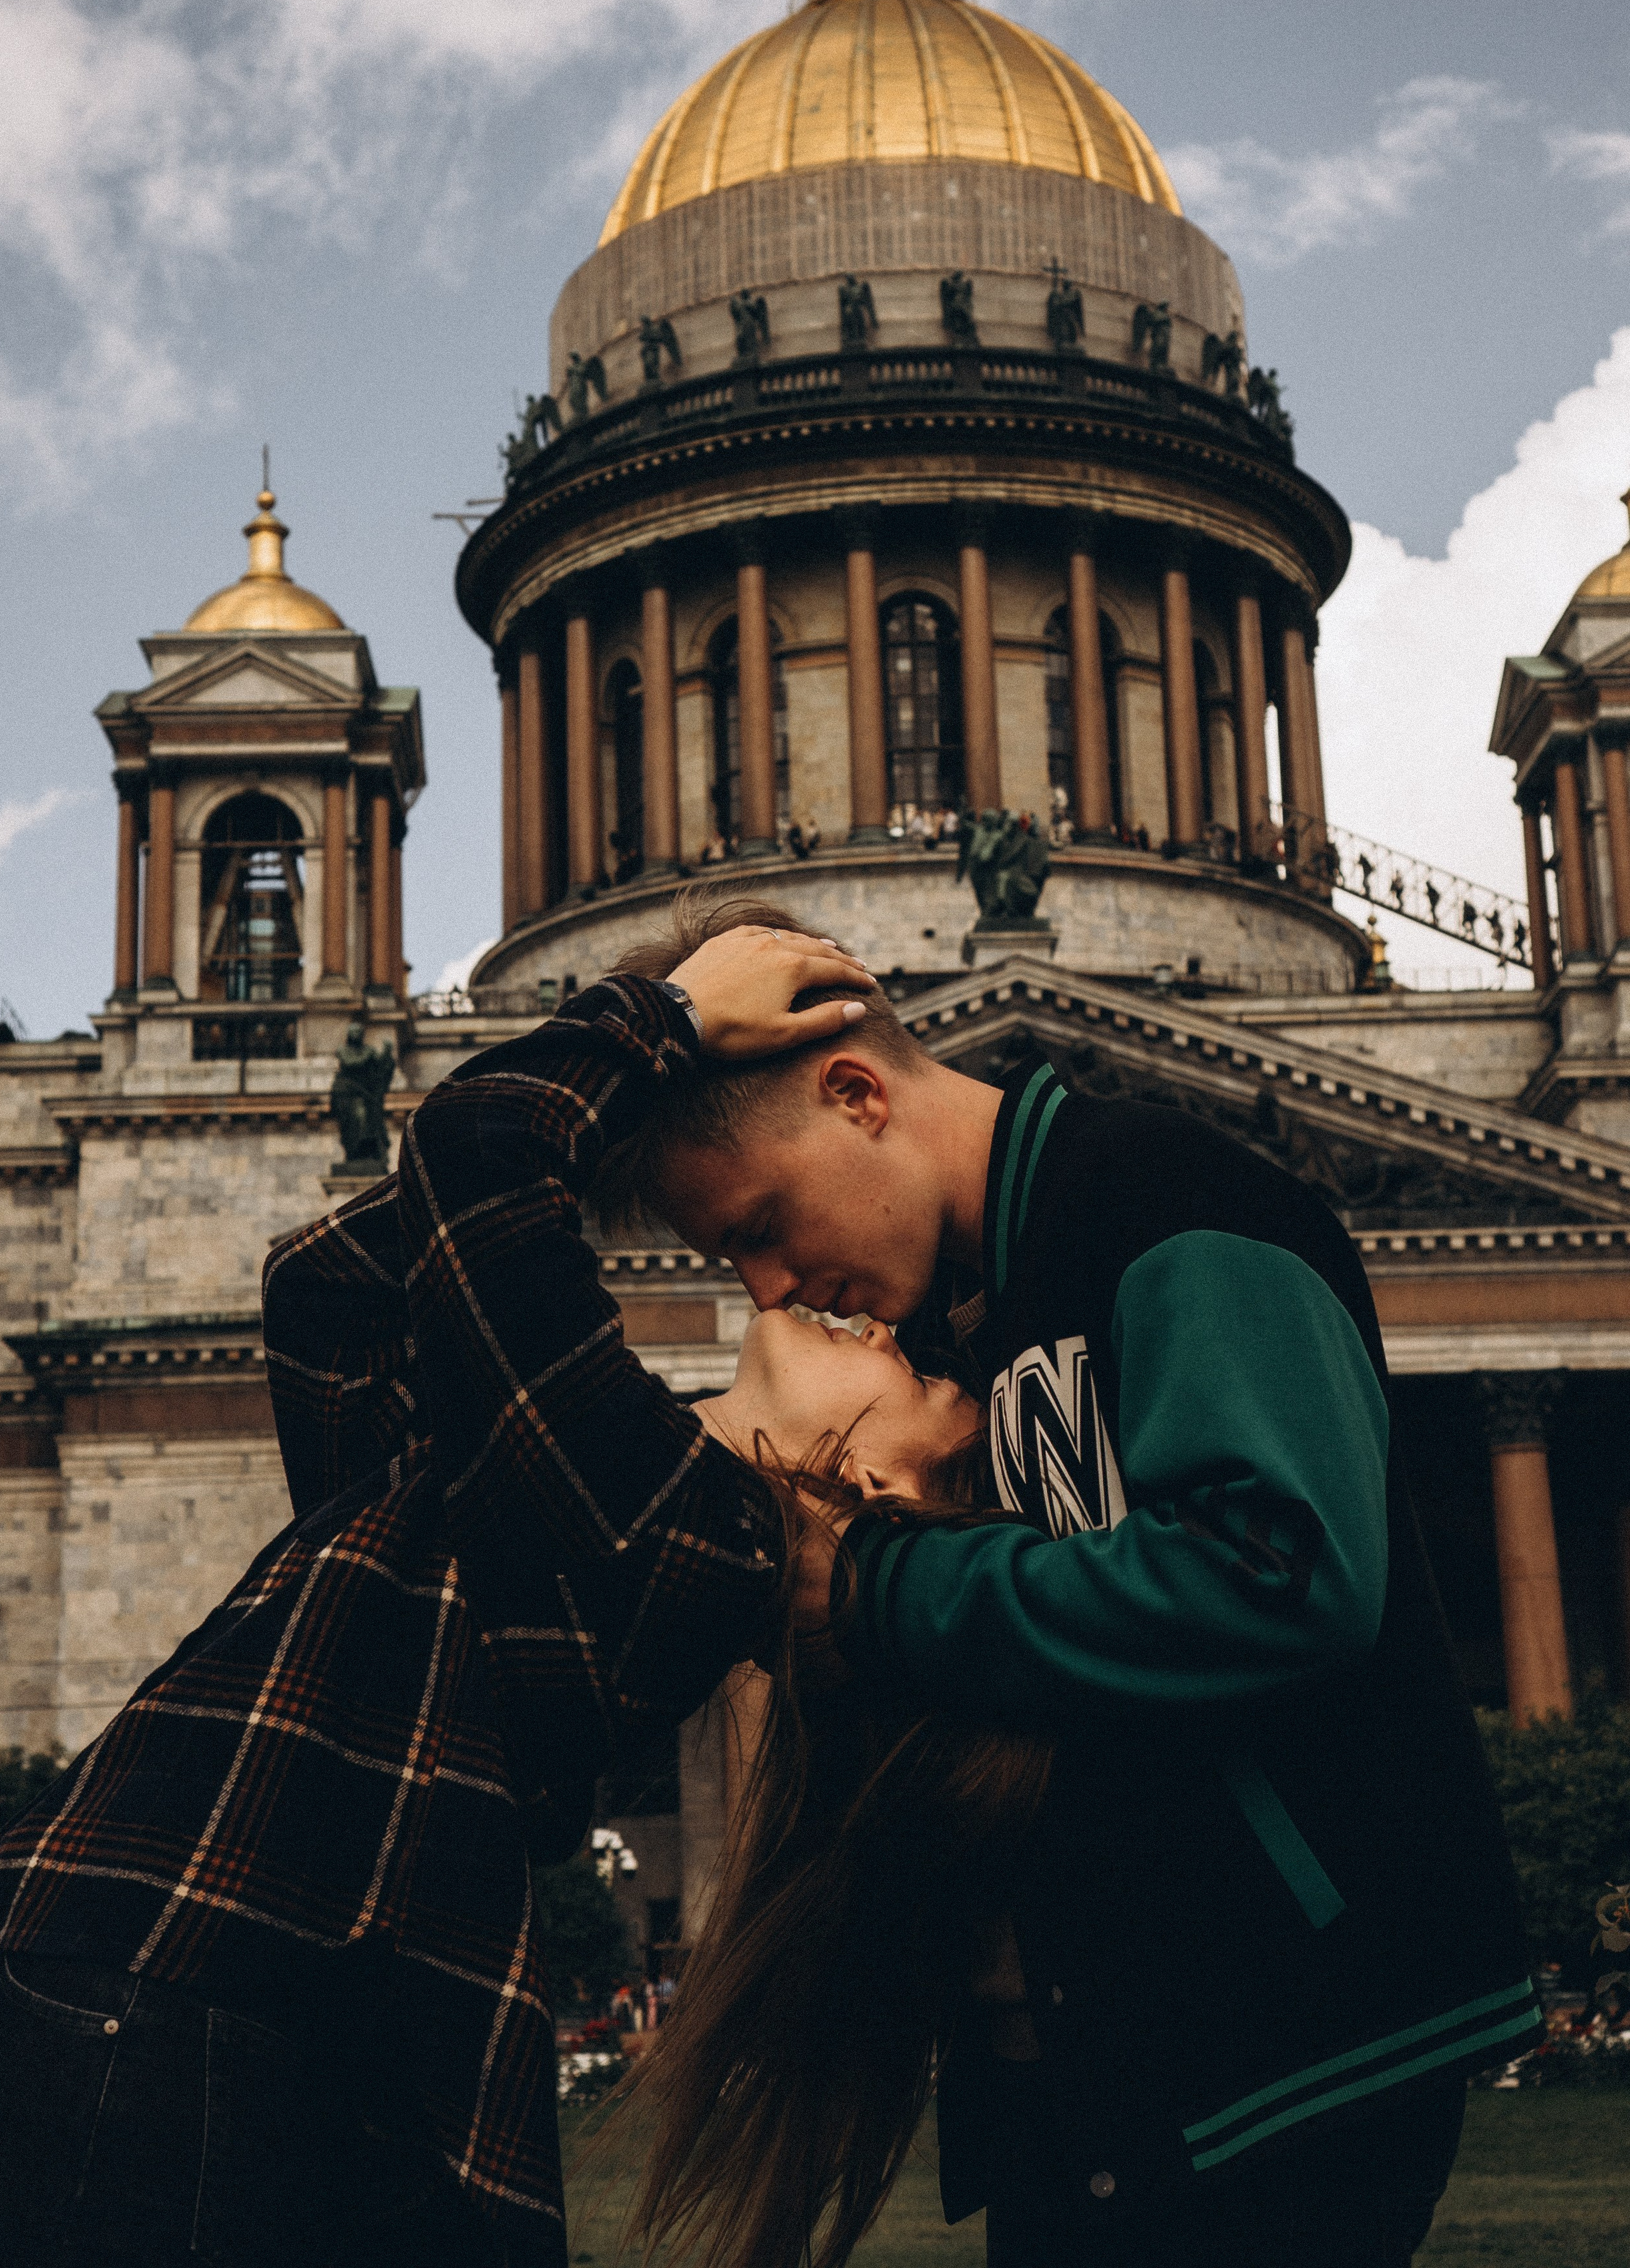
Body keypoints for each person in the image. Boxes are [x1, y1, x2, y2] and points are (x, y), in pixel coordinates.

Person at [596, 891, 1541, 2268]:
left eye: (760, 1225)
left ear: (855, 1090)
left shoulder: (1167, 1200)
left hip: (1284, 2047)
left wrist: (871, 1586)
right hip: (1099, 2080)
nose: (766, 1289)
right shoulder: (947, 1331)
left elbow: (1281, 1575)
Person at [0, 926, 889, 2268]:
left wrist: (654, 1024)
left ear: (843, 1482)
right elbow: (328, 1287)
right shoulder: (552, 1477)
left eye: (896, 1363)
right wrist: (629, 1144)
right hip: (121, 1972)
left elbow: (478, 1159)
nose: (851, 1309)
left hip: (170, 1982)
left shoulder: (690, 1541)